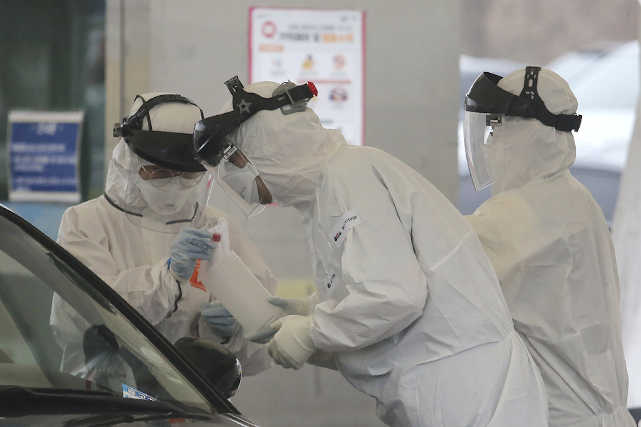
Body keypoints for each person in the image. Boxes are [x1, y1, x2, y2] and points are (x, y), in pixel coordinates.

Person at [192, 77, 548, 427]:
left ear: (270, 145)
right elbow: (371, 286)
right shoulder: (328, 192)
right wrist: (306, 310)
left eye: (234, 161)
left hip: (468, 393)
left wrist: (312, 331)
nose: (233, 178)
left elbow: (395, 295)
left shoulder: (350, 178)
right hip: (448, 386)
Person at [50, 92, 276, 377]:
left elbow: (264, 351)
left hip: (195, 397)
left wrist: (233, 333)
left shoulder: (217, 226)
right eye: (158, 172)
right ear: (130, 162)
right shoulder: (86, 222)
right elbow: (88, 318)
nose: (174, 185)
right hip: (110, 393)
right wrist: (167, 279)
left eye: (187, 175)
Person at [463, 66, 634, 426]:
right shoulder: (572, 198)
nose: (490, 144)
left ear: (531, 135)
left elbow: (444, 262)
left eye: (498, 129)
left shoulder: (525, 213)